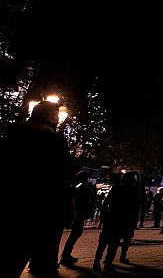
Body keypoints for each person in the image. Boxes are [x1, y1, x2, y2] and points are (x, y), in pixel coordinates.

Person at [1, 100, 73, 278]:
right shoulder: (55, 141)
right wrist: (67, 211)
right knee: (44, 264)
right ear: (51, 116)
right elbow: (61, 179)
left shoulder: (11, 133)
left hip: (10, 207)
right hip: (42, 212)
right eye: (57, 116)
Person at [60, 170, 97, 267]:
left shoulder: (80, 186)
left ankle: (66, 255)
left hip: (79, 213)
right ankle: (65, 255)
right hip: (79, 213)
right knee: (75, 234)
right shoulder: (81, 186)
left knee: (76, 234)